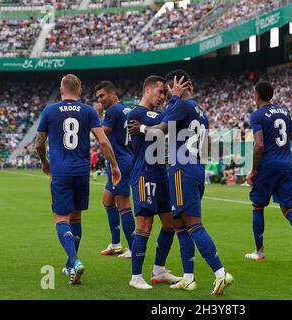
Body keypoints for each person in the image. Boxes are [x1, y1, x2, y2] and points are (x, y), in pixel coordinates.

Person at [129, 70, 234, 296]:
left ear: (179, 85)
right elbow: (204, 146)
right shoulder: (200, 111)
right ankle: (188, 277)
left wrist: (142, 128)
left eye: (168, 90)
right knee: (178, 223)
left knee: (193, 224)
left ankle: (220, 273)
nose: (166, 95)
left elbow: (159, 130)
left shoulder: (180, 105)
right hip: (195, 168)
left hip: (182, 171)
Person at [35, 74, 121, 285]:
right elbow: (103, 141)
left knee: (61, 219)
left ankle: (74, 260)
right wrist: (114, 165)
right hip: (82, 171)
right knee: (76, 219)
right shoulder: (89, 111)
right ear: (80, 90)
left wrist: (44, 161)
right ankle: (69, 266)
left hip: (61, 171)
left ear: (61, 89)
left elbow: (39, 143)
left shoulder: (49, 110)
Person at [245, 81, 292, 266]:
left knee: (258, 206)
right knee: (288, 209)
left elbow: (259, 145)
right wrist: (289, 164)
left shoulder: (257, 115)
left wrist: (253, 171)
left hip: (268, 166)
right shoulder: (284, 112)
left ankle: (259, 252)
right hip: (285, 166)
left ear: (257, 96)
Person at [126, 75, 183, 289]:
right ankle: (135, 276)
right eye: (160, 92)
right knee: (145, 224)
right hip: (144, 175)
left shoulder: (153, 115)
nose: (163, 97)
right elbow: (162, 125)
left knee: (170, 224)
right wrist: (176, 99)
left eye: (165, 94)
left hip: (160, 174)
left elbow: (160, 132)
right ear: (147, 89)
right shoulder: (137, 113)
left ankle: (159, 270)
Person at [94, 81, 135, 259]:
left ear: (113, 93)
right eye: (98, 97)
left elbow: (101, 134)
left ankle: (134, 249)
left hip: (119, 162)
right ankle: (116, 244)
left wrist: (96, 115)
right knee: (107, 201)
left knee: (123, 205)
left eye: (102, 95)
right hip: (121, 160)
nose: (100, 99)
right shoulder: (125, 108)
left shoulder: (112, 111)